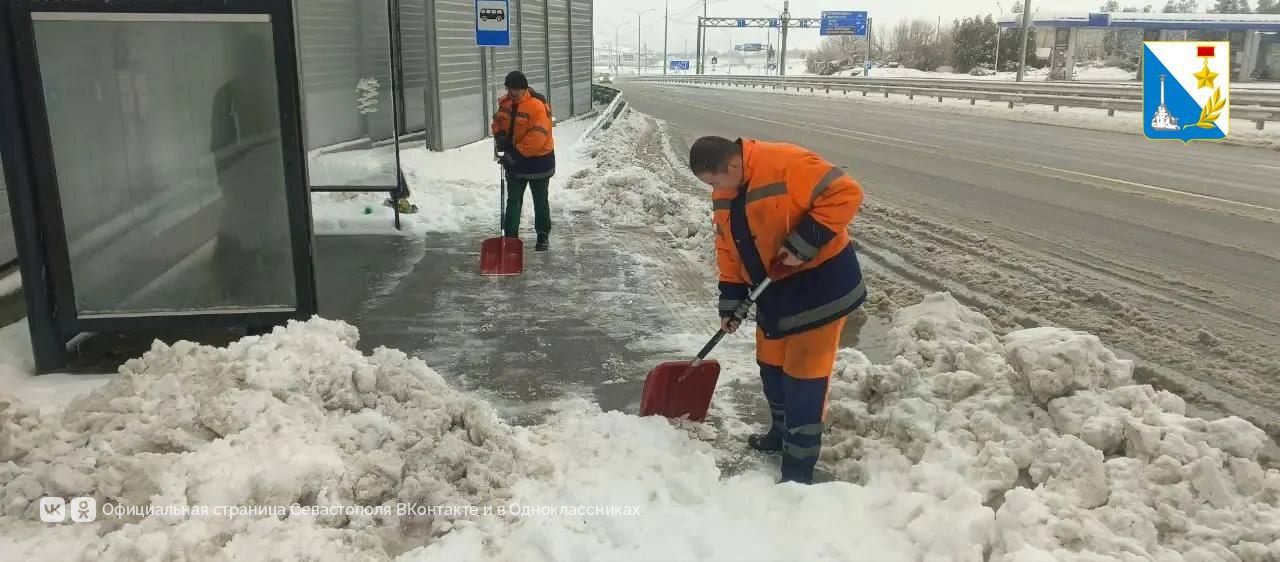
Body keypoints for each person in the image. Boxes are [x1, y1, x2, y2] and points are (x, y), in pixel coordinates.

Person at [689, 136, 867, 484]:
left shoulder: (786, 163)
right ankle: (780, 434)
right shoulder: (726, 192)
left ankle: (798, 468)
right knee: (771, 368)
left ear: (734, 166)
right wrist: (731, 300)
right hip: (773, 292)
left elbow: (847, 193)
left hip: (820, 289)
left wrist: (802, 245)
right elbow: (728, 247)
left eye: (714, 181)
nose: (714, 190)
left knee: (803, 379)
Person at [491, 71, 555, 251]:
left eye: (516, 90)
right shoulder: (506, 103)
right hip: (515, 162)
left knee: (540, 200)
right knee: (513, 201)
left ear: (524, 89)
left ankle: (542, 235)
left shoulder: (536, 106)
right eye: (509, 89)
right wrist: (500, 135)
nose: (512, 93)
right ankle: (510, 239)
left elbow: (537, 138)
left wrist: (514, 156)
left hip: (539, 162)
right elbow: (496, 121)